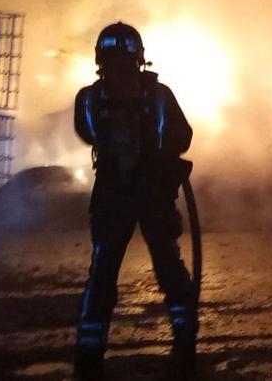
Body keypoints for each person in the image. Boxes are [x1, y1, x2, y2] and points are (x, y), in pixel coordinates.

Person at [72, 22, 197, 380]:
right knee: (171, 271)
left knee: (101, 277)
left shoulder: (89, 98)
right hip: (153, 197)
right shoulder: (159, 94)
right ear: (139, 57)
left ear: (99, 59)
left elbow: (85, 132)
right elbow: (184, 136)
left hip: (112, 196)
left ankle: (88, 359)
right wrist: (160, 154)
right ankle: (185, 347)